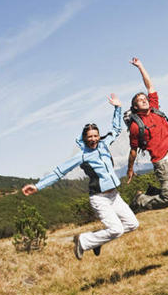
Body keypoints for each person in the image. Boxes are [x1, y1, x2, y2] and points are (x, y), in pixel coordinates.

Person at [21, 94, 139, 259]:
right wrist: (38, 186)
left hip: (114, 195)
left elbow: (116, 129)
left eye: (95, 136)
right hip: (99, 198)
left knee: (133, 224)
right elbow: (59, 171)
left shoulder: (104, 144)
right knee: (116, 230)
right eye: (89, 137)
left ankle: (96, 240)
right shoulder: (82, 155)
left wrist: (118, 108)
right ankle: (83, 241)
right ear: (84, 138)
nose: (93, 139)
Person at [126, 57, 168, 211]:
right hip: (162, 163)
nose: (144, 100)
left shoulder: (155, 108)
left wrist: (140, 67)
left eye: (144, 98)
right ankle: (140, 200)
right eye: (140, 100)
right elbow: (133, 151)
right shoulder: (136, 126)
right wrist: (130, 169)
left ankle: (151, 193)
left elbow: (149, 86)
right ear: (135, 107)